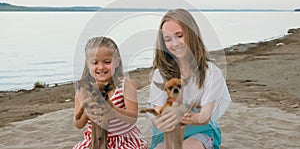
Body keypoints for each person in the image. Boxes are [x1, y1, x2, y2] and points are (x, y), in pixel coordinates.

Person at [147, 9, 231, 149]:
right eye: (167, 39)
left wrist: (188, 118)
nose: (174, 44)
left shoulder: (212, 73)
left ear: (191, 34)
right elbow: (157, 113)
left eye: (179, 36)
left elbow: (205, 117)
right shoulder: (160, 74)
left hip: (201, 132)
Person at [73, 36, 148, 149]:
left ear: (117, 62)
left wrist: (113, 111)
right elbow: (78, 124)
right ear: (87, 64)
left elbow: (133, 117)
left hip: (123, 140)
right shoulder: (83, 90)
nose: (101, 67)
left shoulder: (125, 86)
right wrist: (86, 113)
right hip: (94, 140)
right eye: (94, 62)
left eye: (107, 62)